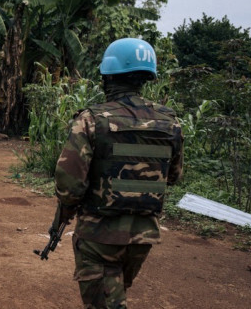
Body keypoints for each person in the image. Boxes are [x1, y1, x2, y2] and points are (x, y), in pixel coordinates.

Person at [52, 38, 184, 308]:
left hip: (99, 234)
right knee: (115, 294)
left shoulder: (91, 120)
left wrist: (67, 211)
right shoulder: (169, 122)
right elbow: (173, 176)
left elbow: (69, 184)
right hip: (143, 236)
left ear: (107, 75)